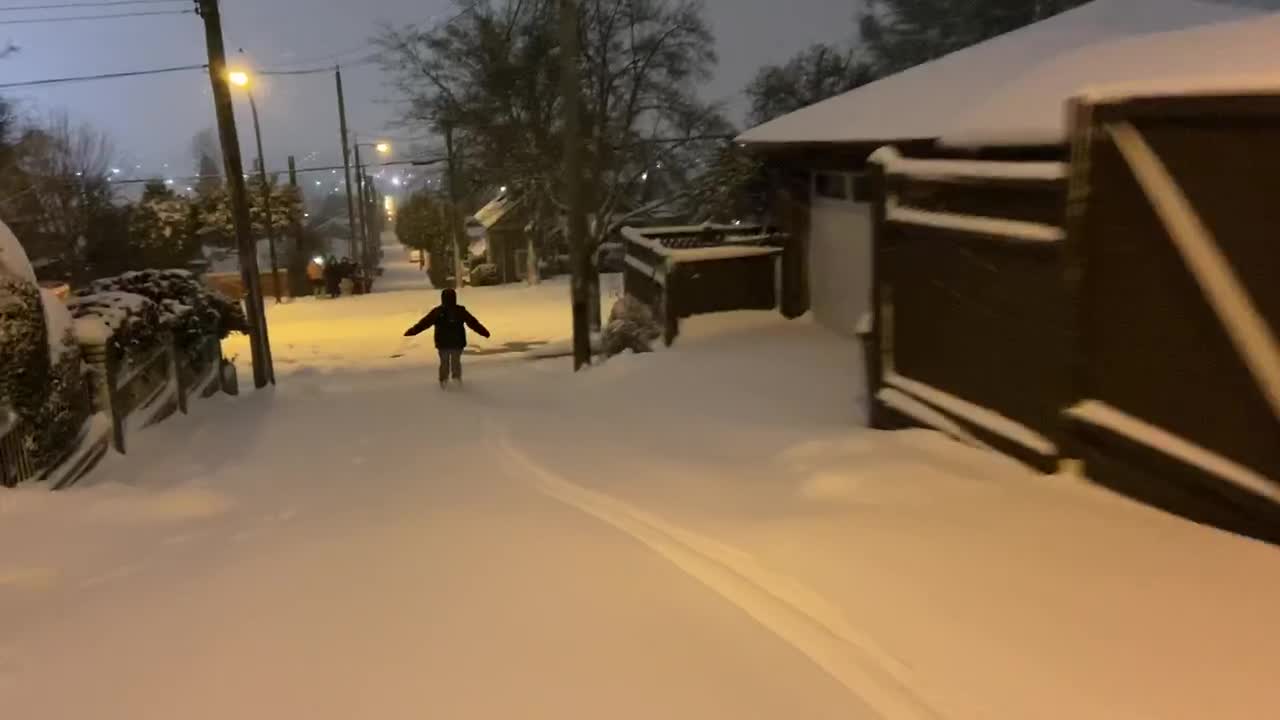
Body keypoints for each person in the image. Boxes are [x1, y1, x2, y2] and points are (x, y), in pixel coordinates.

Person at [404, 288, 491, 387]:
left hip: (442, 343)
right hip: (457, 342)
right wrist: (484, 332)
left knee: (444, 362)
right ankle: (456, 379)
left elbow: (424, 323)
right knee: (456, 362)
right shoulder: (460, 311)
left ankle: (444, 381)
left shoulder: (437, 312)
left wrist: (412, 331)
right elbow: (473, 323)